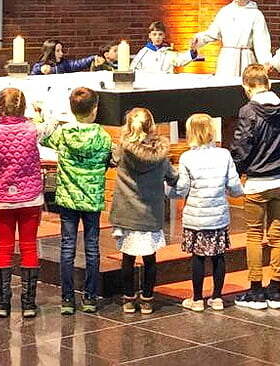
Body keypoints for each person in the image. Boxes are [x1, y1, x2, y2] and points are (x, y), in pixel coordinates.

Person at [0, 87, 50, 318]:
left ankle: (2, 304)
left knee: (4, 246)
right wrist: (40, 113)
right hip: (30, 198)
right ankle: (28, 304)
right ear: (23, 106)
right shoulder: (32, 130)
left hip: (4, 198)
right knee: (28, 246)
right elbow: (51, 126)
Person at [230, 63, 280, 310]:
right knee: (277, 236)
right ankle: (275, 291)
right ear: (268, 84)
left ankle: (256, 291)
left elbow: (243, 144)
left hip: (257, 182)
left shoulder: (248, 111)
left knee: (255, 236)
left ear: (246, 86)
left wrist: (236, 169)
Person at [41, 87, 113, 315]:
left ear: (71, 109)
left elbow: (42, 137)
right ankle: (90, 297)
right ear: (95, 109)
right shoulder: (103, 136)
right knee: (92, 248)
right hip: (91, 198)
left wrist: (50, 118)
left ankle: (67, 299)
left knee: (67, 247)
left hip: (68, 198)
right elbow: (110, 160)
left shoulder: (63, 134)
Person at [169, 113, 243, 312]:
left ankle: (197, 299)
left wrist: (167, 191)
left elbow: (182, 189)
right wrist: (237, 191)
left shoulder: (187, 157)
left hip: (196, 218)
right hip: (218, 217)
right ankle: (217, 298)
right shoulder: (224, 154)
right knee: (219, 257)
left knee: (198, 258)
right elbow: (234, 186)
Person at [109, 107, 175, 314]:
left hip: (127, 213)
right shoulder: (160, 155)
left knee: (127, 258)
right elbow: (172, 177)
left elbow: (111, 160)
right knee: (150, 259)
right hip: (150, 214)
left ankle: (128, 299)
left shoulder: (122, 151)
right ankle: (147, 300)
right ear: (152, 126)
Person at [192, 0, 273, 79]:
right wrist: (199, 39)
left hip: (245, 57)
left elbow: (261, 40)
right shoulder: (225, 12)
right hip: (227, 58)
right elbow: (213, 32)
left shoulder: (255, 14)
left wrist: (265, 61)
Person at [131, 22, 197, 74]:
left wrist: (192, 51)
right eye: (154, 34)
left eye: (160, 34)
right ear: (150, 36)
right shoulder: (144, 52)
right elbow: (134, 68)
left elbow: (180, 60)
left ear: (164, 35)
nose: (157, 37)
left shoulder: (169, 52)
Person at [30, 40, 104, 75]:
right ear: (51, 52)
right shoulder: (39, 66)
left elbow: (78, 64)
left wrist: (92, 58)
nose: (61, 53)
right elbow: (33, 75)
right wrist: (40, 69)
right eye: (58, 51)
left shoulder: (64, 64)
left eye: (61, 50)